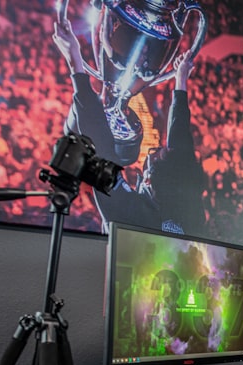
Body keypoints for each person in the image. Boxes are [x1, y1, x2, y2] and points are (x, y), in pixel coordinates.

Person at [52, 18, 204, 236]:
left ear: (150, 179)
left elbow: (100, 150)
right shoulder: (187, 205)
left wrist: (75, 60)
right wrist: (181, 81)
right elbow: (181, 145)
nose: (158, 149)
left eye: (157, 154)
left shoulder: (129, 214)